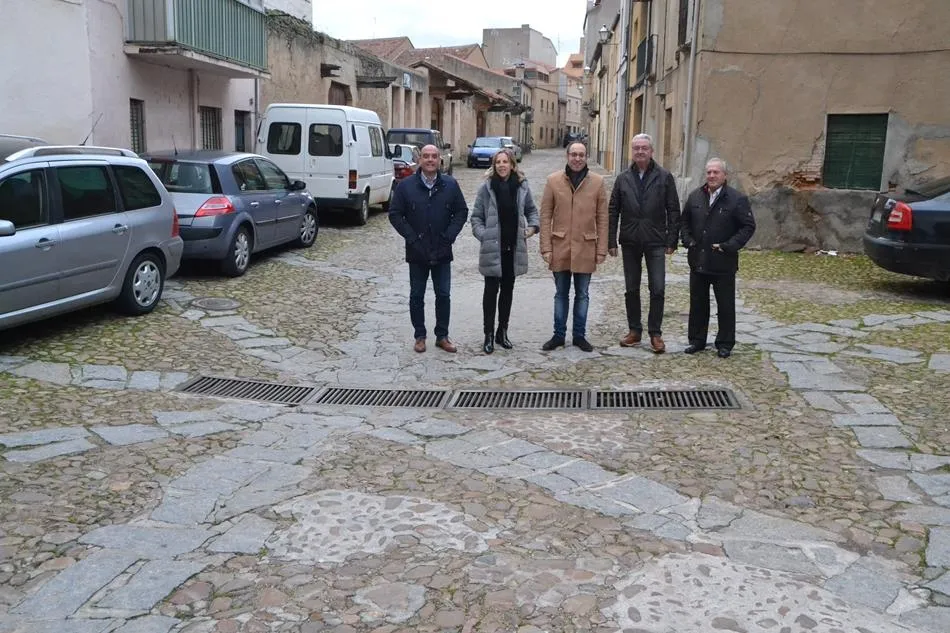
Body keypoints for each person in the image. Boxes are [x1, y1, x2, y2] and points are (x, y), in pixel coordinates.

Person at [388, 144, 468, 353]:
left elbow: (461, 211)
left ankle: (442, 335)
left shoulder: (450, 185)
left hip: (442, 249)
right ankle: (420, 336)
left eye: (434, 156)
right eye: (426, 156)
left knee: (443, 294)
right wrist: (411, 238)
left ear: (439, 159)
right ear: (419, 160)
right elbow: (395, 214)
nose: (430, 160)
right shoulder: (406, 186)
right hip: (417, 251)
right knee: (416, 295)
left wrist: (449, 236)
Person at [608, 133, 680, 353]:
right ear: (632, 151)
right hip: (630, 240)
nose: (640, 151)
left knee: (657, 288)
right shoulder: (623, 178)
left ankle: (655, 334)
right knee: (631, 288)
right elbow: (613, 210)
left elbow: (673, 210)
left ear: (651, 151)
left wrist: (672, 239)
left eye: (644, 148)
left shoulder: (664, 176)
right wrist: (611, 240)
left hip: (655, 240)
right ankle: (634, 331)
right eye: (636, 148)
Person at [680, 158, 756, 358]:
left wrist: (729, 246)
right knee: (698, 303)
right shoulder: (696, 196)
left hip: (723, 262)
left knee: (725, 305)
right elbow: (684, 222)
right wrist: (688, 241)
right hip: (698, 260)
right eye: (709, 172)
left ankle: (724, 343)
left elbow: (748, 226)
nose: (712, 176)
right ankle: (697, 340)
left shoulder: (736, 199)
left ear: (724, 175)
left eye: (716, 172)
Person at [539, 142, 608, 352]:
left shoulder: (597, 182)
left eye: (581, 155)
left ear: (587, 157)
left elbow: (603, 218)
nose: (577, 158)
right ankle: (558, 335)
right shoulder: (553, 181)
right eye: (573, 154)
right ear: (567, 156)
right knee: (561, 294)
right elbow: (545, 215)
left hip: (586, 246)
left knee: (583, 294)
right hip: (560, 245)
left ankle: (579, 335)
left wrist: (601, 249)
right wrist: (546, 247)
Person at [470, 148, 540, 354]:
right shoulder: (486, 188)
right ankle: (488, 335)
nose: (501, 165)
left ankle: (502, 332)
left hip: (513, 247)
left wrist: (533, 227)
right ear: (494, 165)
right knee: (490, 293)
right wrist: (484, 235)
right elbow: (476, 217)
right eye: (498, 162)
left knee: (508, 292)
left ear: (512, 165)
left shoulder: (521, 187)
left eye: (505, 162)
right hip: (493, 249)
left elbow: (531, 210)